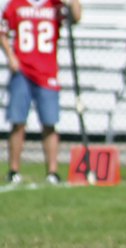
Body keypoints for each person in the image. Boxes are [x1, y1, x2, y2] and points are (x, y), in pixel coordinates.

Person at [0, 0, 82, 185]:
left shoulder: (55, 5)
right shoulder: (16, 4)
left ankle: (52, 172)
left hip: (47, 72)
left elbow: (75, 18)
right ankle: (14, 170)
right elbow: (2, 31)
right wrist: (10, 56)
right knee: (17, 122)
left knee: (50, 124)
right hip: (22, 70)